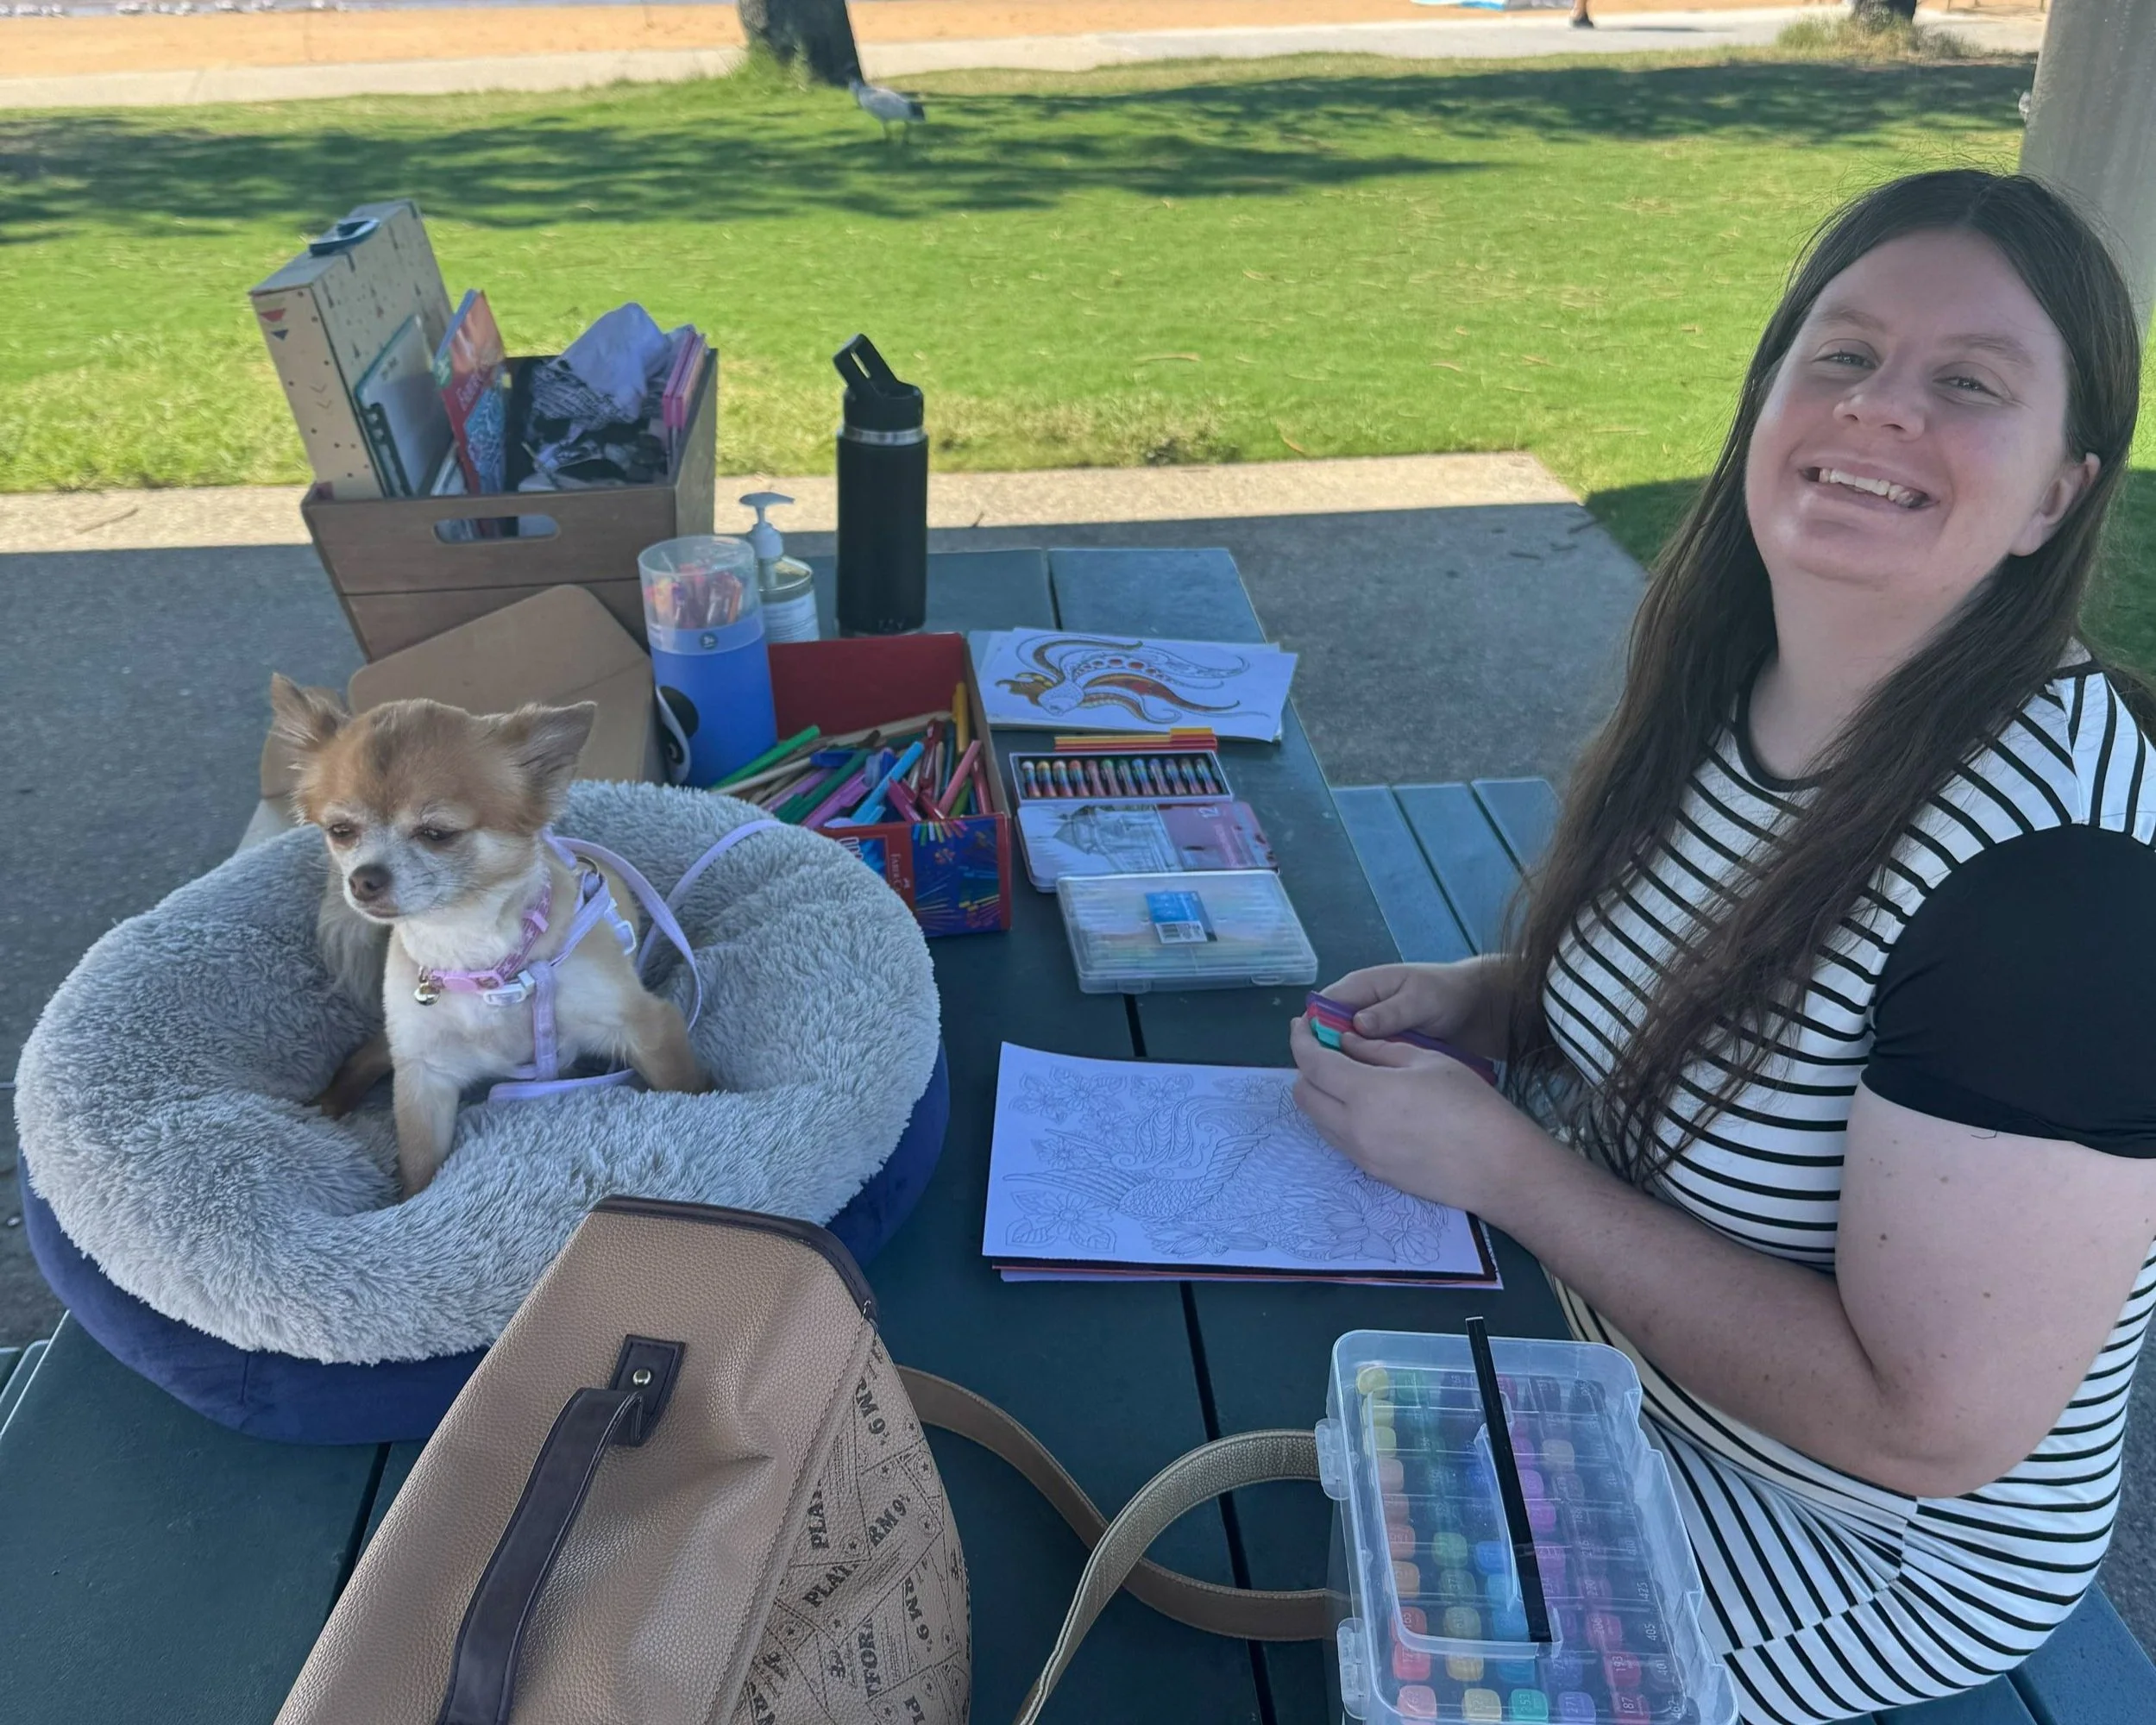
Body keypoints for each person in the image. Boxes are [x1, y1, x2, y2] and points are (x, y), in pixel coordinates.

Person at [1292, 168, 2155, 1724]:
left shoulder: (2059, 889)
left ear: (2054, 495)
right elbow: (1724, 991)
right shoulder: (1745, 675)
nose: (1880, 407)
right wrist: (1500, 1007)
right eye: (1839, 353)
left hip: (1858, 1538)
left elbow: (1924, 1429)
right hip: (1605, 1362)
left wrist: (1504, 1169)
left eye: (1967, 384)